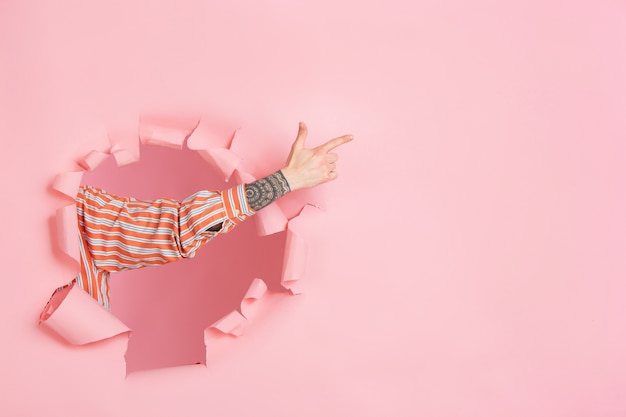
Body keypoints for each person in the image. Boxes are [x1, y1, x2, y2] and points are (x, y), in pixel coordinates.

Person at [70, 122, 353, 310]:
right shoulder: (68, 211)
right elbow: (176, 230)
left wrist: (284, 181)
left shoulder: (74, 212)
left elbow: (175, 229)